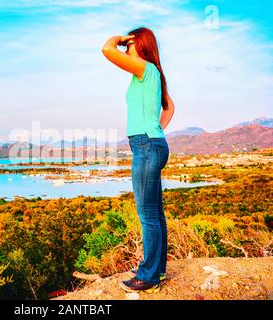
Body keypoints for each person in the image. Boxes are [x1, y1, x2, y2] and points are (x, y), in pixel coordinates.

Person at [102, 27, 175, 293]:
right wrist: (156, 131)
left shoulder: (146, 69)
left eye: (129, 44)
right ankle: (157, 269)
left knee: (147, 214)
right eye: (125, 45)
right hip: (150, 143)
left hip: (146, 145)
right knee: (155, 213)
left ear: (140, 44)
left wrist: (118, 38)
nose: (125, 49)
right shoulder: (149, 74)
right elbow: (170, 107)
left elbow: (106, 49)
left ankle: (148, 276)